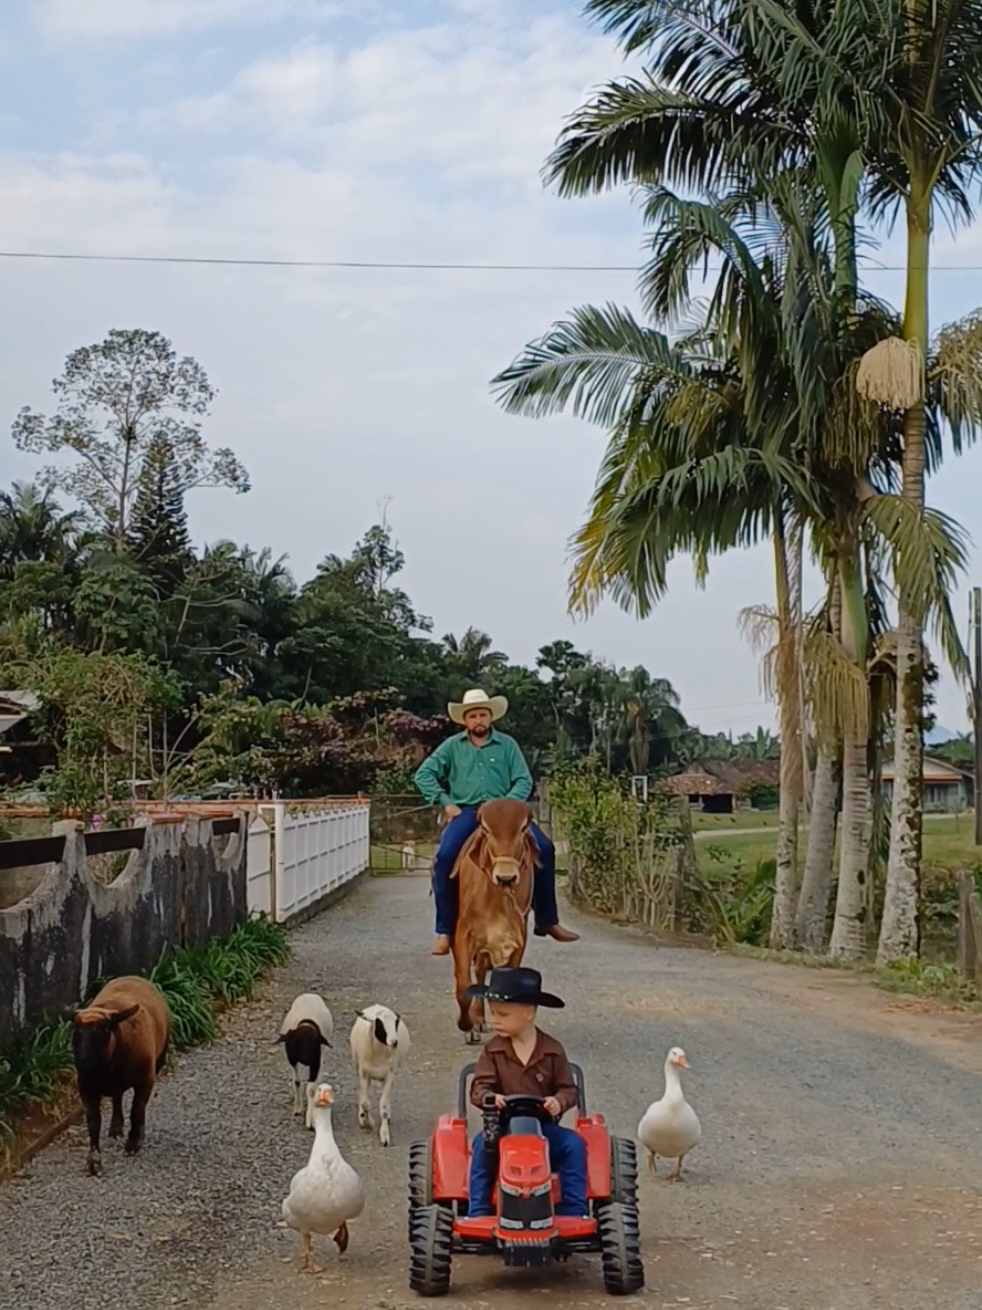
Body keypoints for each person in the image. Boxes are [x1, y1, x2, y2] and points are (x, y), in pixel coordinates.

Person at [413, 688, 579, 955]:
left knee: (545, 849)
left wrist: (507, 806)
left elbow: (523, 779)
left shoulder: (507, 745)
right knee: (444, 858)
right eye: (473, 716)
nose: (478, 720)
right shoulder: (452, 747)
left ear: (491, 718)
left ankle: (548, 921)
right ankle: (444, 930)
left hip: (505, 815)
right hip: (468, 811)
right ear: (465, 720)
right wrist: (446, 802)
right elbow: (424, 775)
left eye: (483, 715)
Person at [465, 965, 588, 1219]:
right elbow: (479, 1087)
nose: (494, 1020)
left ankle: (575, 1210)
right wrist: (491, 1098)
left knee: (574, 1145)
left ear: (528, 1013)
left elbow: (568, 1089)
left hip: (543, 1130)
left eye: (503, 1014)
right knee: (480, 1146)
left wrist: (558, 1101)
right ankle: (478, 1211)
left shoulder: (552, 1051)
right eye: (492, 1013)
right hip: (501, 1128)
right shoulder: (492, 1051)